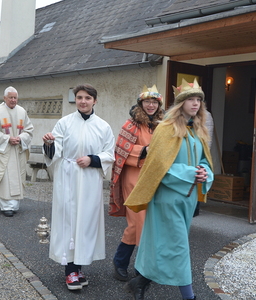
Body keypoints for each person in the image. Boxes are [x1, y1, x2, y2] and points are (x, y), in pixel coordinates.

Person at [123, 78, 214, 300]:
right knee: (179, 245)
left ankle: (140, 282)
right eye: (190, 99)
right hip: (167, 197)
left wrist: (204, 172)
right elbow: (158, 166)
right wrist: (190, 173)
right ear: (180, 103)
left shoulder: (198, 130)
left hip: (188, 198)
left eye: (198, 100)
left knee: (161, 242)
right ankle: (188, 295)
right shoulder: (165, 128)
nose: (195, 104)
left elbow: (205, 160)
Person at [42, 84, 115, 291]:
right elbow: (55, 151)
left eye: (88, 98)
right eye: (80, 97)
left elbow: (110, 153)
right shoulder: (64, 123)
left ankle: (79, 267)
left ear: (95, 101)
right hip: (68, 178)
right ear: (76, 99)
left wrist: (93, 159)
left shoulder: (103, 126)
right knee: (68, 221)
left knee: (85, 222)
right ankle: (70, 271)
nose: (83, 101)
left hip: (90, 180)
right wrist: (49, 144)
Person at [109, 85, 164, 281]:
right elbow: (121, 150)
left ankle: (126, 263)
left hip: (155, 178)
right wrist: (144, 151)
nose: (151, 105)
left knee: (150, 225)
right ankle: (135, 268)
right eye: (148, 102)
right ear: (141, 103)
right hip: (134, 177)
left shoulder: (162, 124)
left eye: (155, 102)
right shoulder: (130, 124)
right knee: (137, 223)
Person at [0, 86, 34, 217]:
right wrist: (7, 138)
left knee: (17, 177)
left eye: (15, 97)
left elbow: (29, 130)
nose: (13, 100)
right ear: (4, 98)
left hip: (17, 151)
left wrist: (21, 138)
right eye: (10, 97)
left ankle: (14, 205)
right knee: (4, 178)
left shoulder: (22, 111)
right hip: (4, 151)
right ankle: (5, 206)